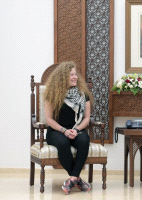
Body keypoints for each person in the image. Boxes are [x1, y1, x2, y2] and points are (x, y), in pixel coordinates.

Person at [44, 61, 93, 195]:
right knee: (63, 143)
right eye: (71, 75)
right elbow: (49, 119)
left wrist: (76, 130)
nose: (75, 77)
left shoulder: (83, 94)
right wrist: (64, 131)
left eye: (75, 74)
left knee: (84, 141)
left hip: (77, 128)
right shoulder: (52, 94)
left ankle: (72, 179)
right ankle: (77, 179)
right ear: (63, 77)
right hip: (56, 130)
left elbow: (87, 118)